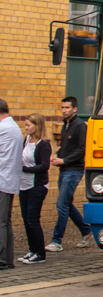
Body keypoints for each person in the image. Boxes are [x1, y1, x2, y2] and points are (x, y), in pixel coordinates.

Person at [46, 96, 91, 252]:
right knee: (66, 203)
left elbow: (82, 149)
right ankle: (86, 230)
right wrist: (57, 155)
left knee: (61, 205)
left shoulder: (80, 126)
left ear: (75, 109)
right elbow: (66, 147)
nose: (64, 110)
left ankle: (56, 241)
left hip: (74, 170)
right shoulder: (66, 125)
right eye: (62, 108)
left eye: (67, 108)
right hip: (64, 169)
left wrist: (64, 160)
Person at [17, 113, 51, 264]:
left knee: (32, 219)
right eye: (25, 125)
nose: (26, 128)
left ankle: (40, 253)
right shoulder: (26, 140)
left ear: (37, 126)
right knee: (26, 219)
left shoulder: (43, 144)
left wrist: (26, 169)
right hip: (23, 185)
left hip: (37, 186)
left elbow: (44, 166)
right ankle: (32, 250)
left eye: (28, 125)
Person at [0, 99, 23, 269]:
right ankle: (7, 258)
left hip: (2, 179)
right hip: (9, 180)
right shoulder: (14, 127)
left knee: (1, 221)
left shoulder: (3, 128)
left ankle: (1, 258)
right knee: (5, 221)